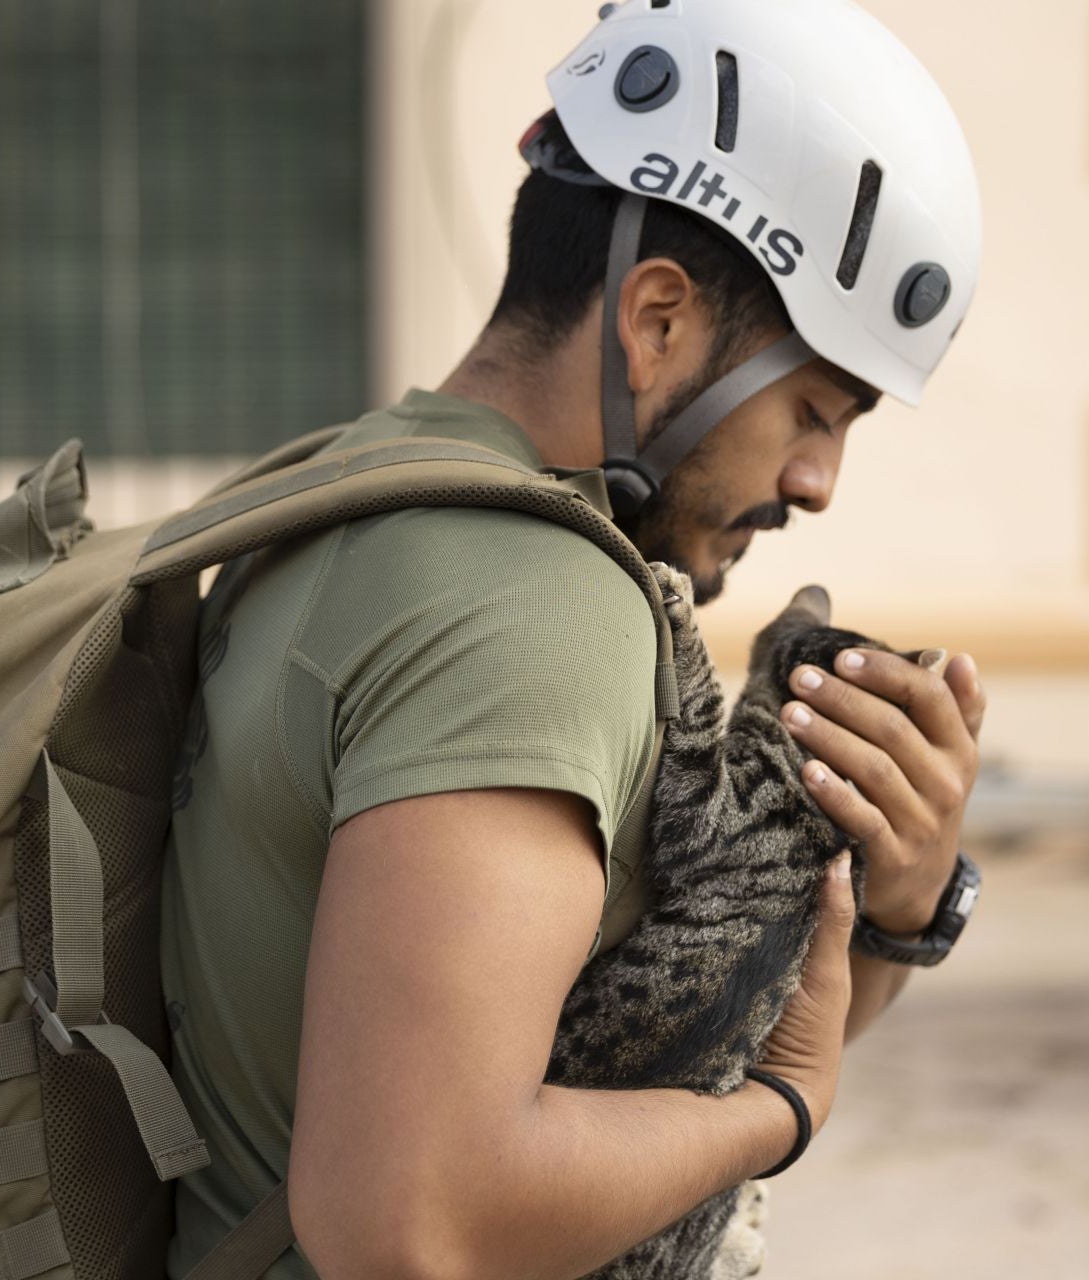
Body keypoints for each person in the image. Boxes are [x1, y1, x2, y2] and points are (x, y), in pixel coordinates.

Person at [161, 1, 986, 1275]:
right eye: (816, 407)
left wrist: (894, 906)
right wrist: (781, 1114)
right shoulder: (532, 604)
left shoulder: (373, 479)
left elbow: (643, 1063)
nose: (818, 480)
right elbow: (412, 1216)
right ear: (659, 322)